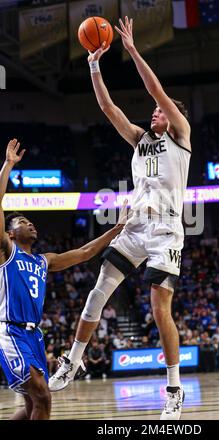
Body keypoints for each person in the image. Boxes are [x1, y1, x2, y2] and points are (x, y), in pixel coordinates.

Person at [49, 16, 191, 420]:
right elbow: (108, 106)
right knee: (98, 290)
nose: (154, 114)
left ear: (171, 117)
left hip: (166, 231)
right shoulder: (138, 139)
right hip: (135, 226)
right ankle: (74, 361)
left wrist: (130, 49)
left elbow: (157, 90)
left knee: (159, 307)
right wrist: (94, 64)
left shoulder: (179, 135)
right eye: (153, 113)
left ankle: (174, 389)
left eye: (159, 113)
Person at [0, 139, 126, 420]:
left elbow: (84, 253)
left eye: (30, 222)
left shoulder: (44, 260)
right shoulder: (6, 252)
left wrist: (117, 229)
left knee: (33, 405)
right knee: (42, 396)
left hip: (33, 336)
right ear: (9, 234)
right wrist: (8, 165)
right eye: (22, 222)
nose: (30, 224)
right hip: (10, 331)